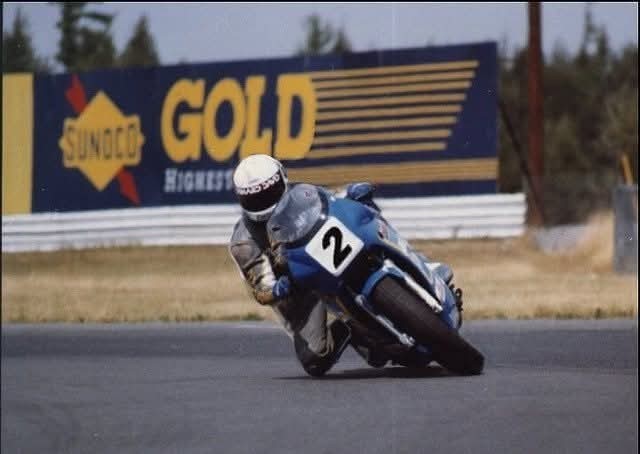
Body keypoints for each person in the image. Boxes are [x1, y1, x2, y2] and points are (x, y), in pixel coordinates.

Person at [228, 154, 461, 377]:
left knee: (368, 213)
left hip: (326, 251)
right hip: (297, 287)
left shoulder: (301, 193)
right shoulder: (243, 242)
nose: (264, 201)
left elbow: (331, 202)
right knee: (315, 359)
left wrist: (351, 194)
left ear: (282, 178)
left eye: (269, 193)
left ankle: (423, 266)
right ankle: (354, 329)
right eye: (254, 199)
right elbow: (261, 290)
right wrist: (279, 289)